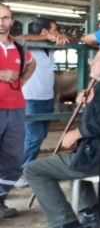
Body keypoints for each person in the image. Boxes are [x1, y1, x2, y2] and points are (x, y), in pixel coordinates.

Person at [24, 45, 100, 228]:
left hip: (99, 155)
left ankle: (65, 225)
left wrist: (77, 133)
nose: (91, 62)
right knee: (72, 163)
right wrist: (89, 103)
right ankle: (92, 212)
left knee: (34, 170)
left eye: (97, 59)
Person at [16, 18, 71, 184]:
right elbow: (19, 38)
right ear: (45, 32)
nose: (56, 33)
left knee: (40, 136)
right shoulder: (28, 47)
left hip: (47, 97)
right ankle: (21, 173)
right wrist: (47, 39)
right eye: (54, 30)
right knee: (34, 137)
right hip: (30, 98)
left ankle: (25, 169)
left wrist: (62, 37)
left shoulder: (51, 48)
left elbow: (74, 40)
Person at [0, 4, 36, 218]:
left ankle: (1, 199)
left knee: (12, 158)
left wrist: (22, 80)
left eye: (6, 18)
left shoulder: (19, 48)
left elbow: (32, 64)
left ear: (12, 21)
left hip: (15, 108)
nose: (2, 23)